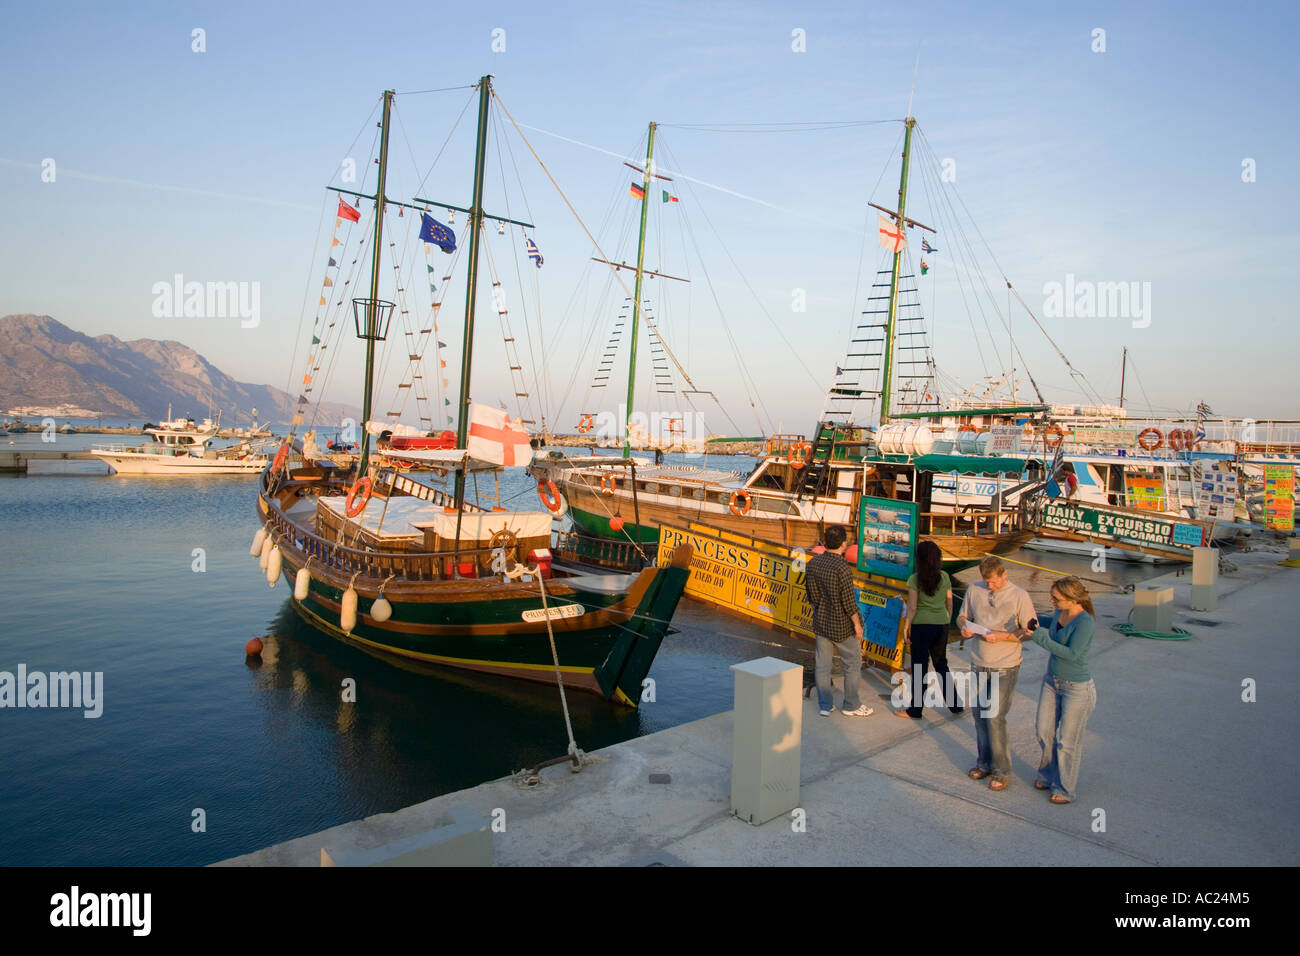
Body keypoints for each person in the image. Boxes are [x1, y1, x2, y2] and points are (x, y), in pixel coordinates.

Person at [958, 555, 1038, 791]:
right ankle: (983, 762)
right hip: (979, 661)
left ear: (1004, 575)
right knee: (980, 716)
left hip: (1006, 663)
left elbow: (1031, 631)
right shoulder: (974, 589)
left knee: (995, 716)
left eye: (994, 582)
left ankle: (1002, 770)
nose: (990, 586)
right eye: (986, 582)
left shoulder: (1020, 596)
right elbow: (962, 616)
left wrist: (1002, 636)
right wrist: (964, 627)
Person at [1028, 576, 1097, 804]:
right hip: (1052, 681)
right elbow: (1051, 620)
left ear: (1071, 599)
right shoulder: (1060, 612)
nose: (1052, 600)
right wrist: (1030, 617)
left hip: (1076, 687)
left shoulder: (1085, 623)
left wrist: (1037, 637)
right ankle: (1048, 775)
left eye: (1056, 598)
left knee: (1067, 741)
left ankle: (1065, 788)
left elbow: (1071, 654)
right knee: (1043, 731)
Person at [804, 526, 873, 718]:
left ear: (825, 542)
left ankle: (825, 705)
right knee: (852, 663)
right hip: (841, 625)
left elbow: (811, 594)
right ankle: (851, 704)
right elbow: (849, 602)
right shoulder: (842, 567)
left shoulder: (814, 563)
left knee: (822, 665)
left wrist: (821, 608)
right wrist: (857, 624)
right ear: (844, 544)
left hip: (821, 621)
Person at [895, 540, 961, 719]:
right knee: (941, 664)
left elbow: (913, 607)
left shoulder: (915, 579)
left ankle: (915, 709)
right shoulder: (945, 577)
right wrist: (947, 618)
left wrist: (907, 626)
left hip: (921, 626)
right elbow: (949, 601)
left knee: (919, 668)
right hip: (941, 625)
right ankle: (955, 704)